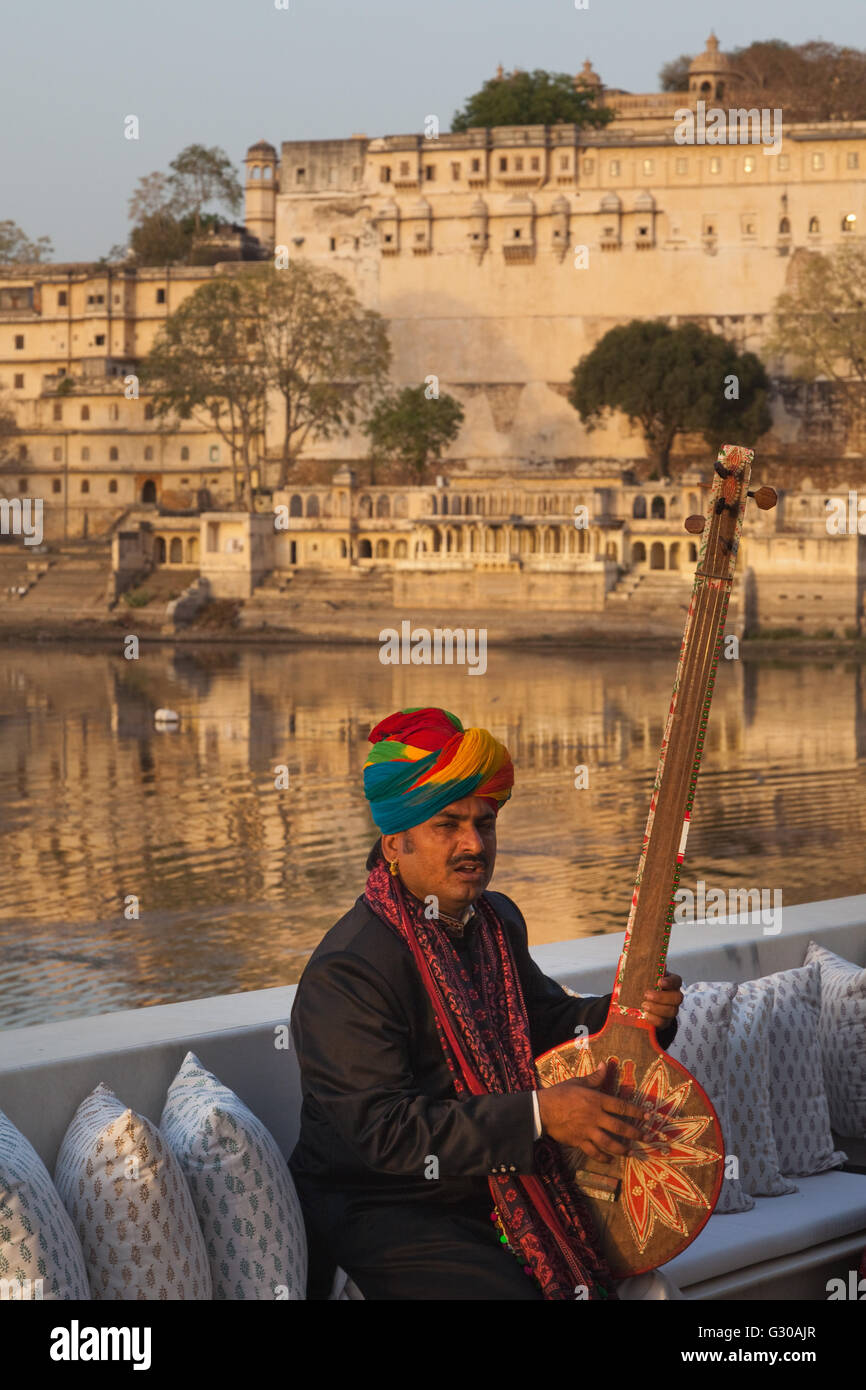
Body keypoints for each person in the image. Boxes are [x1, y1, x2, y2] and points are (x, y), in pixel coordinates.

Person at [290, 706, 683, 1300]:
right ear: (395, 841)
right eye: (448, 824)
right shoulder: (349, 969)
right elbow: (386, 1132)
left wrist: (629, 1015)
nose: (474, 844)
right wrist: (540, 1115)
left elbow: (547, 1023)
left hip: (491, 1181)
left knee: (641, 1280)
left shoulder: (494, 921)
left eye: (485, 823)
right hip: (384, 1204)